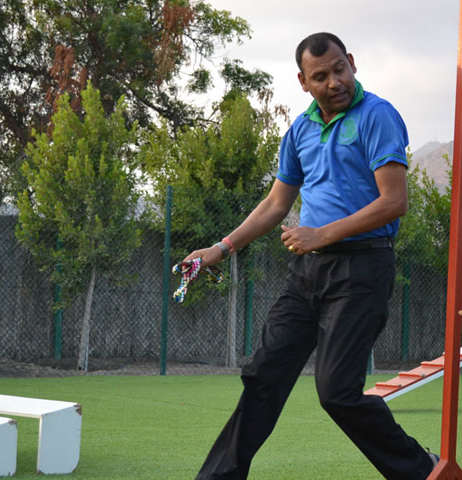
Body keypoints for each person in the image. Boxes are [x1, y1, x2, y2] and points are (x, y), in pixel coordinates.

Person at [184, 32, 436, 480]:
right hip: (306, 274)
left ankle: (423, 471)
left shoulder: (377, 116)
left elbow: (394, 201)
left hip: (362, 268)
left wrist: (322, 234)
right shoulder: (299, 130)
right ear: (304, 82)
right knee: (264, 375)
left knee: (337, 392)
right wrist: (221, 248)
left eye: (340, 69)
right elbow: (275, 204)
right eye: (321, 76)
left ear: (352, 63)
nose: (334, 81)